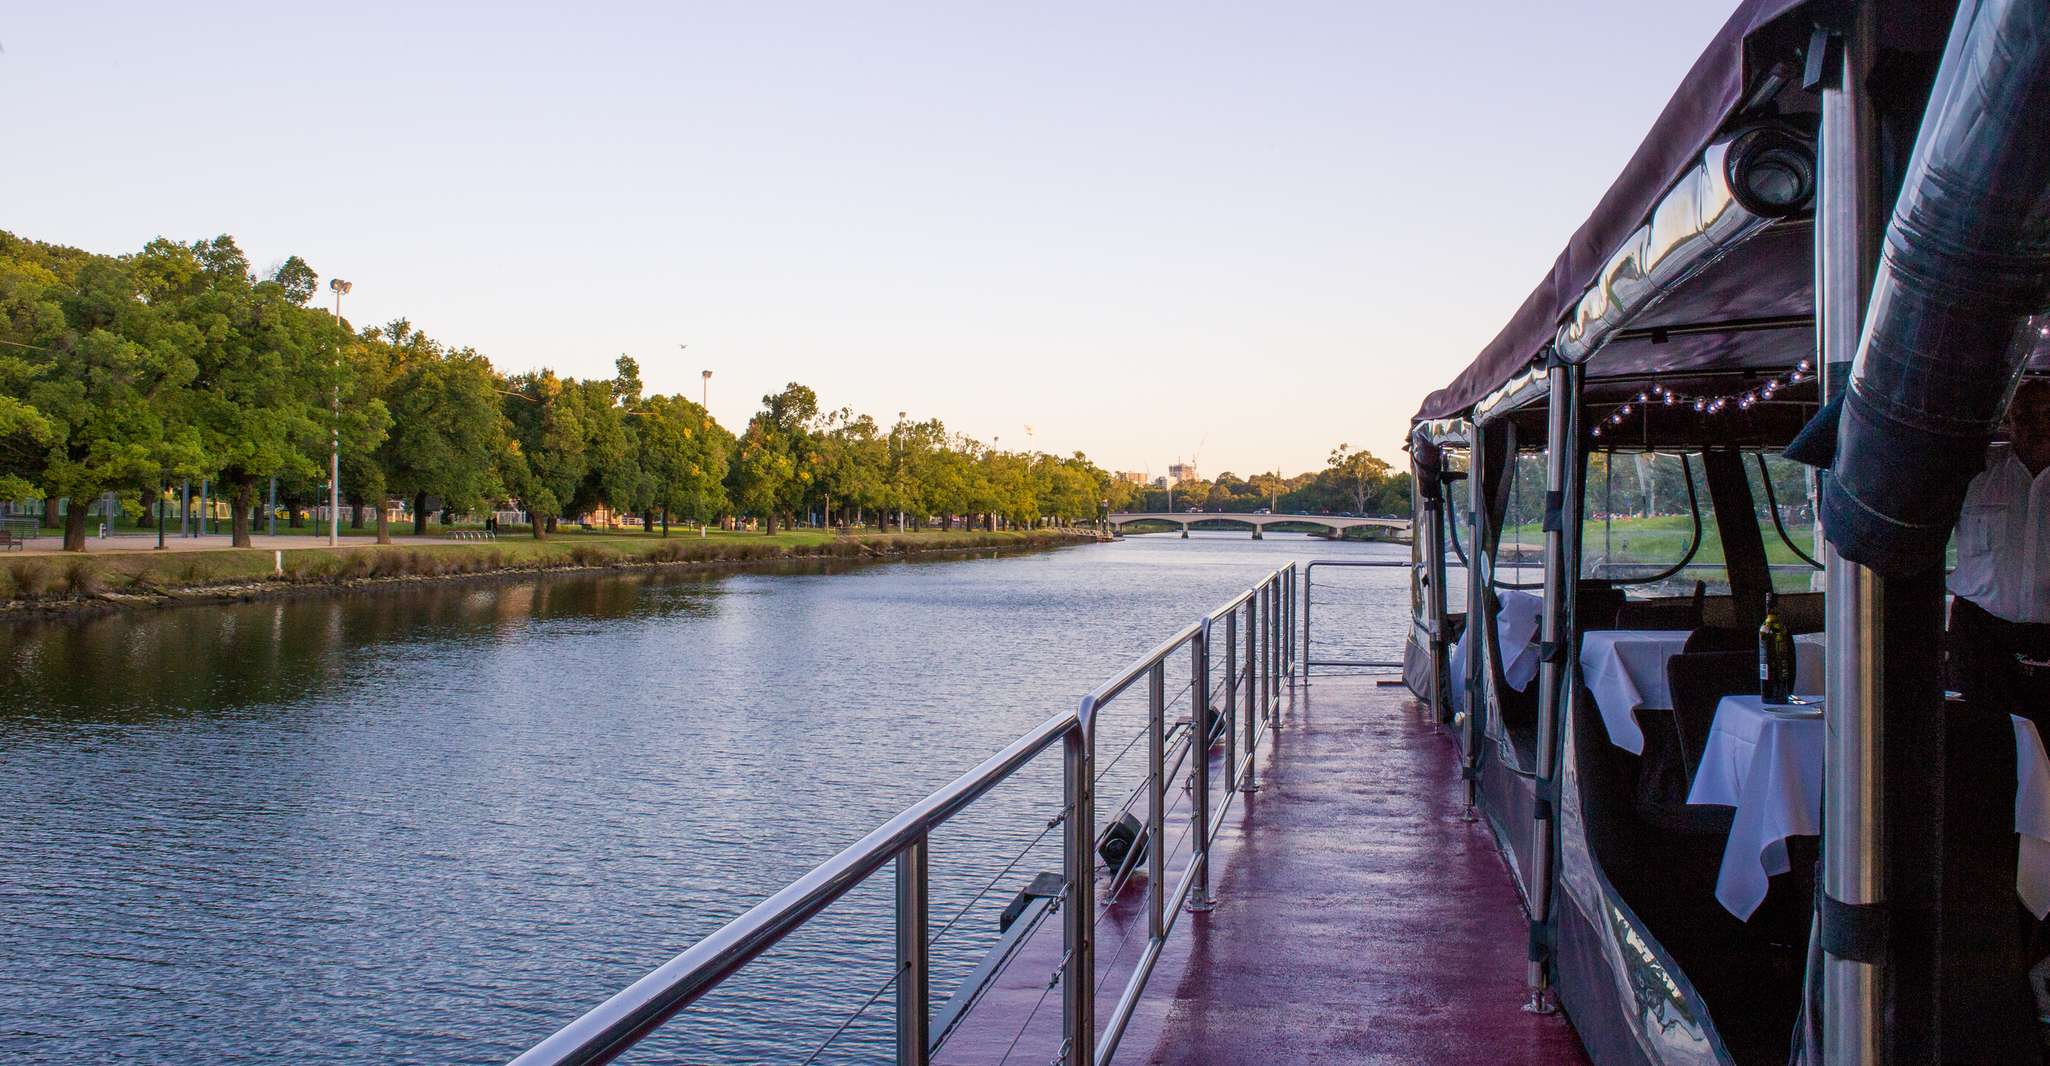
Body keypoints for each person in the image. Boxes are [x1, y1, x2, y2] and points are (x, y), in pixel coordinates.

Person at [1948, 377, 2050, 720]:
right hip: (1981, 635)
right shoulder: (1974, 473)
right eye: (2025, 416)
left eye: (2048, 413)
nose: (2039, 425)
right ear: (2009, 422)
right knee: (1980, 745)